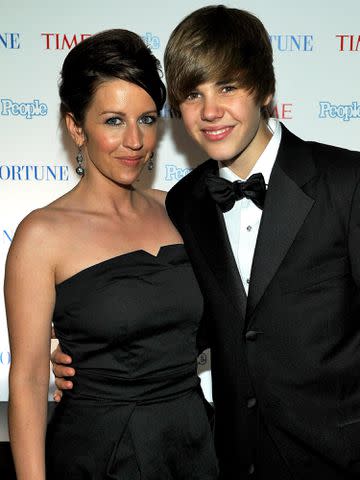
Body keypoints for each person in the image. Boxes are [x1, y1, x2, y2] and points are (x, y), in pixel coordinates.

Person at [52, 5, 360, 479]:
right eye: (193, 94)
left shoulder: (346, 182)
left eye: (228, 87)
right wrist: (94, 357)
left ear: (266, 89)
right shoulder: (185, 203)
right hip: (226, 461)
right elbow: (188, 322)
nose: (210, 111)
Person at [5, 29, 218, 480]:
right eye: (114, 121)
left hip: (195, 444)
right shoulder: (41, 235)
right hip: (100, 453)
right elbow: (25, 381)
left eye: (146, 119)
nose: (136, 141)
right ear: (76, 126)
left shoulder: (178, 209)